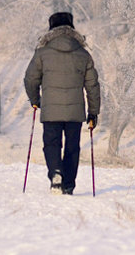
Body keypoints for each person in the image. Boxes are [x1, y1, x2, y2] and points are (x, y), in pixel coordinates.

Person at [24, 11, 101, 195]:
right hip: (75, 112)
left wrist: (35, 100)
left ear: (51, 28)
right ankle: (68, 184)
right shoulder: (83, 55)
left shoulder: (42, 53)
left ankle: (55, 173)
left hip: (51, 109)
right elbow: (93, 86)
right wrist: (93, 113)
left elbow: (30, 79)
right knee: (72, 147)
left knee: (52, 143)